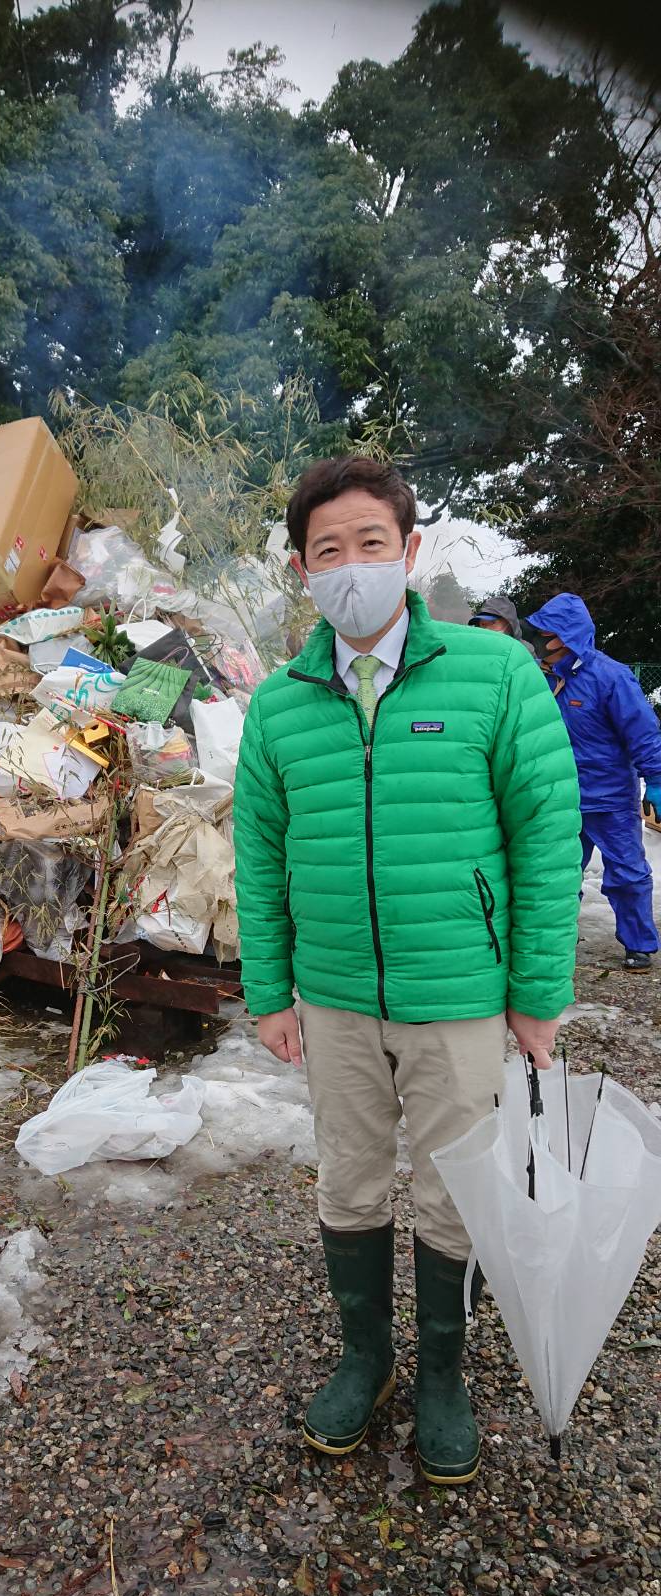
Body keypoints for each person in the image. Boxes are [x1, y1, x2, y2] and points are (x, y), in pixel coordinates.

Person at [233, 456, 581, 1485]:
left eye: (369, 543)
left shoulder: (495, 673)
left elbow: (546, 836)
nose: (351, 567)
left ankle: (442, 1375)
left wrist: (536, 994)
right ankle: (365, 1358)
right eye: (327, 551)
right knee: (348, 1178)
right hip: (337, 997)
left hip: (458, 994)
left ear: (409, 549)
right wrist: (269, 991)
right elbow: (258, 852)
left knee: (453, 1191)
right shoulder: (280, 704)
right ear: (302, 570)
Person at [529, 592, 661, 972]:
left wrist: (655, 778)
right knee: (557, 875)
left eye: (547, 632)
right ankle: (556, 941)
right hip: (558, 798)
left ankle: (638, 945)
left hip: (609, 799)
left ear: (567, 635)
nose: (540, 639)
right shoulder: (537, 678)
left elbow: (643, 732)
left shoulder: (610, 677)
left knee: (628, 874)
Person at [468, 595, 536, 655]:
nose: (486, 629)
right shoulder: (476, 648)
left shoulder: (525, 650)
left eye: (492, 623)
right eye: (483, 624)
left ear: (510, 623)